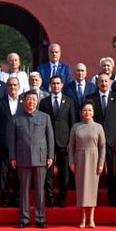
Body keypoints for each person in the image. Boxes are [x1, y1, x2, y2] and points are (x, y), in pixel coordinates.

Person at [8, 91, 54, 228]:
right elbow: (12, 140)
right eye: (29, 99)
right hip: (22, 158)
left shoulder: (45, 117)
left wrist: (50, 155)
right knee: (24, 190)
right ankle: (24, 218)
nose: (31, 102)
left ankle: (40, 218)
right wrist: (12, 157)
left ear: (37, 101)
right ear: (24, 101)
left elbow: (50, 138)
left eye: (34, 99)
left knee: (40, 190)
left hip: (40, 158)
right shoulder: (16, 118)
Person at [91, 73, 116, 207]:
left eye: (106, 81)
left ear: (110, 83)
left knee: (112, 172)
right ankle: (93, 199)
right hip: (95, 141)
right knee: (95, 171)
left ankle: (113, 198)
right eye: (101, 81)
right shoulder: (91, 98)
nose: (104, 83)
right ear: (97, 83)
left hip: (112, 141)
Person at [39, 76, 76, 208]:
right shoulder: (43, 102)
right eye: (53, 83)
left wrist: (70, 143)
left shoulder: (69, 101)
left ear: (62, 85)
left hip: (64, 143)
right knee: (48, 174)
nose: (55, 86)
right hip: (48, 143)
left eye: (58, 83)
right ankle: (50, 199)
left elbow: (73, 123)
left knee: (64, 174)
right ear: (50, 85)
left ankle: (62, 198)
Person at [69, 102, 106, 228]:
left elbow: (102, 146)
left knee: (92, 189)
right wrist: (71, 162)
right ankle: (83, 218)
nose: (87, 113)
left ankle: (91, 218)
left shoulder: (98, 127)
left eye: (90, 110)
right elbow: (71, 146)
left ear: (93, 112)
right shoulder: (76, 127)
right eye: (85, 110)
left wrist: (101, 164)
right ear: (81, 112)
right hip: (79, 159)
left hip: (94, 159)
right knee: (81, 189)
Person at [0, 75, 24, 207]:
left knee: (18, 174)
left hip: (20, 144)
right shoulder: (0, 102)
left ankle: (17, 198)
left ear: (19, 87)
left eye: (15, 85)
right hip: (4, 144)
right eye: (10, 85)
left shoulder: (24, 102)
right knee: (3, 174)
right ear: (6, 87)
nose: (12, 87)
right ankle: (5, 198)